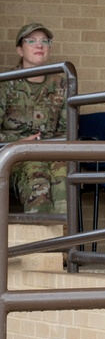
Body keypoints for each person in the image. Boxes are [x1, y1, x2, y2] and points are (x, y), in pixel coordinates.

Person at [0, 23, 67, 214]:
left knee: (65, 182)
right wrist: (19, 143)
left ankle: (66, 242)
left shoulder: (62, 83)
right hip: (15, 157)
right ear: (20, 50)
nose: (39, 45)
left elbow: (66, 131)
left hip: (52, 154)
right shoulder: (5, 83)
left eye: (44, 41)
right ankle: (42, 243)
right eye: (32, 41)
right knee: (38, 182)